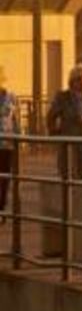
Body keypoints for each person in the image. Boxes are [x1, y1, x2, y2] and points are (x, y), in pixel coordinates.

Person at [0, 66, 17, 210]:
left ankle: (2, 206)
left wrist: (18, 138)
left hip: (7, 143)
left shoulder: (11, 97)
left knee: (5, 176)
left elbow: (15, 120)